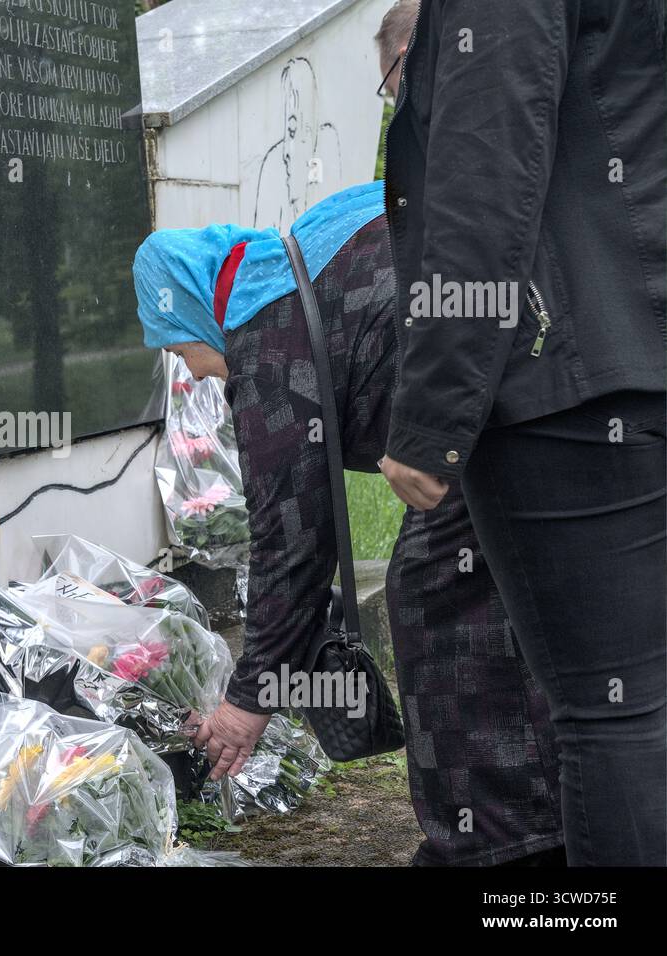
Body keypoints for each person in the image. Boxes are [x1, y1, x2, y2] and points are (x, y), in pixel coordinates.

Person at [132, 179, 564, 865]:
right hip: (550, 374)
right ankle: (551, 811)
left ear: (194, 314)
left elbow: (293, 543)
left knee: (435, 598)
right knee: (501, 601)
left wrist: (246, 704)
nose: (203, 376)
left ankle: (498, 843)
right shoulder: (302, 254)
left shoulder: (265, 336)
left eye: (184, 353)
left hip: (515, 404)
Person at [378, 1, 666, 865]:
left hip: (569, 381)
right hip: (632, 339)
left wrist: (432, 418)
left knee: (616, 717)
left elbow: (485, 170)